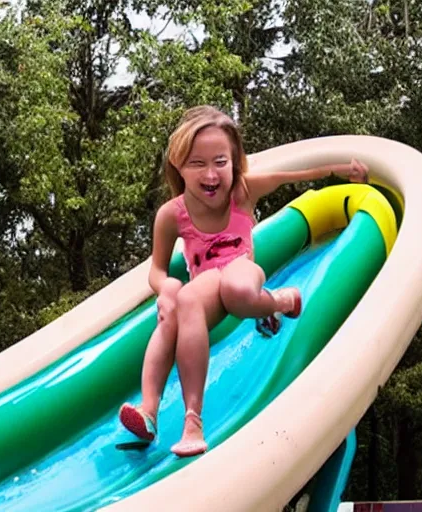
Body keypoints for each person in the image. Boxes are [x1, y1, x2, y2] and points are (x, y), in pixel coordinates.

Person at [119, 105, 369, 457]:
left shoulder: (243, 191)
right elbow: (157, 270)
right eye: (197, 163)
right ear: (178, 165)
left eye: (220, 161)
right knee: (179, 306)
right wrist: (166, 289)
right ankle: (151, 414)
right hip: (204, 288)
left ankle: (280, 300)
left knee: (233, 286)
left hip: (241, 270)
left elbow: (292, 174)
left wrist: (342, 169)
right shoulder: (171, 215)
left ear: (234, 161)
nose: (210, 174)